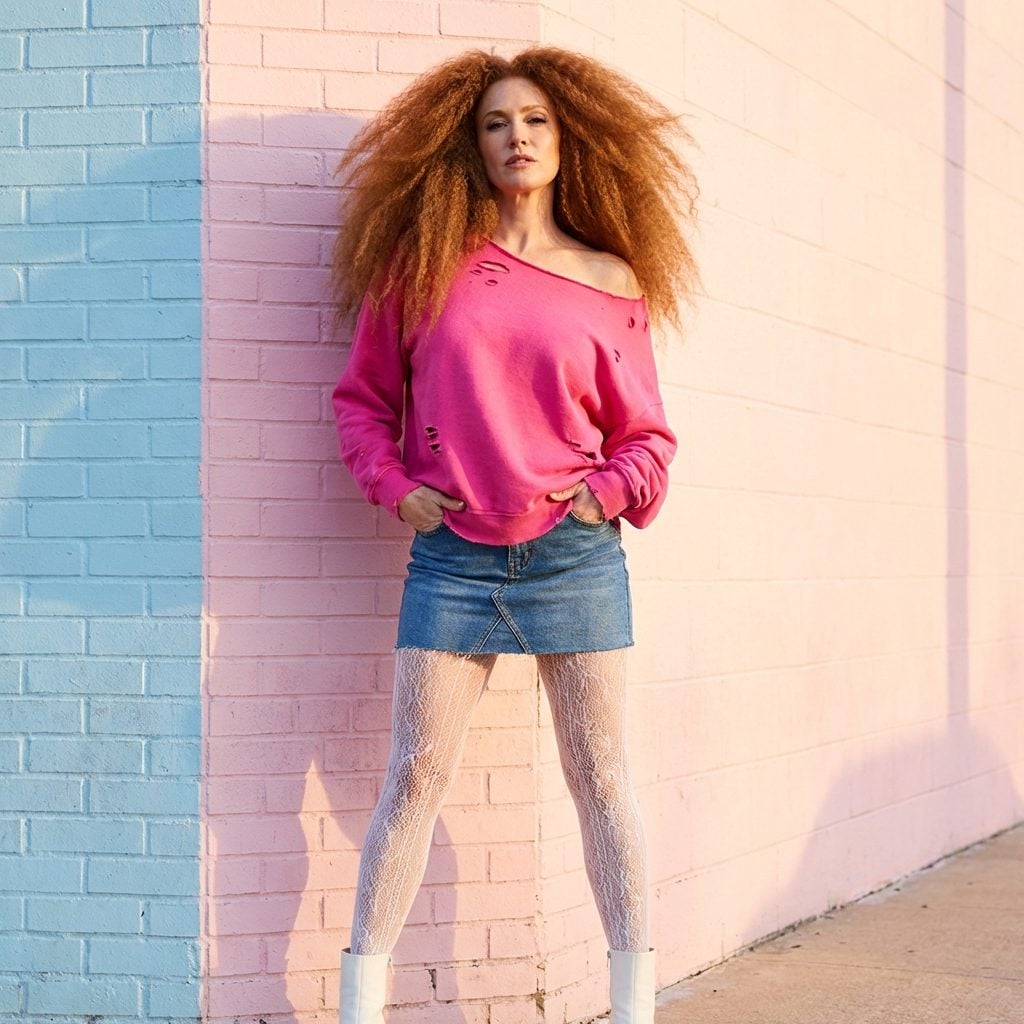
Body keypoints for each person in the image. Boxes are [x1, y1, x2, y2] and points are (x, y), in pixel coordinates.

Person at [329, 46, 699, 1024]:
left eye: (535, 120)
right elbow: (363, 401)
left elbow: (647, 433)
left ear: (570, 138)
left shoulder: (609, 277)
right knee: (415, 774)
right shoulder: (421, 268)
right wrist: (394, 488)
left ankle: (633, 1006)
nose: (517, 137)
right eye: (496, 123)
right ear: (471, 145)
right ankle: (360, 1004)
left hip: (574, 556)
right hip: (452, 557)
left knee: (601, 776)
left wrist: (604, 496)